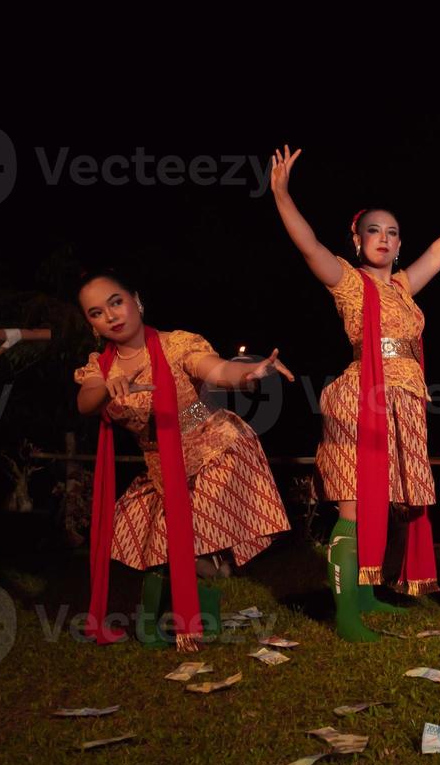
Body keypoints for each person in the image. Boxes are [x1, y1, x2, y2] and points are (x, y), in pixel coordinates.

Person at [269, 145, 440, 641]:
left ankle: (367, 591)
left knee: (390, 501)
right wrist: (283, 195)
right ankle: (346, 614)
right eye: (374, 230)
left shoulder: (403, 288)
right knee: (355, 501)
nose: (385, 239)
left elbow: (437, 252)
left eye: (393, 233)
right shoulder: (349, 283)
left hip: (406, 401)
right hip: (363, 398)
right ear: (356, 239)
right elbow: (308, 246)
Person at [74, 270, 293, 651]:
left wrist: (249, 373)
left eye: (116, 302)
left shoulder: (176, 345)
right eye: (96, 313)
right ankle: (161, 621)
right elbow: (85, 402)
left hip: (214, 447)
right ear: (91, 324)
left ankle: (197, 608)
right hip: (162, 464)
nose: (111, 316)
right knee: (153, 545)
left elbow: (218, 369)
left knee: (190, 541)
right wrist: (107, 389)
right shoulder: (101, 367)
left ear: (135, 300)